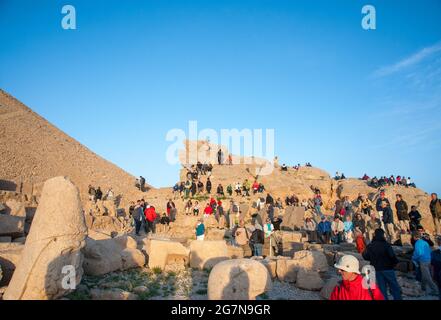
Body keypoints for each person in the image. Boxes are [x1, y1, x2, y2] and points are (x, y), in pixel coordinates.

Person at [362, 229, 402, 300]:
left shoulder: (370, 245)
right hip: (388, 268)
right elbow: (392, 256)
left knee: (382, 288)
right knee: (394, 286)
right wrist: (395, 263)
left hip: (376, 269)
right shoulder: (386, 245)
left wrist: (372, 259)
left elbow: (365, 256)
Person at [431, 235, 441, 300]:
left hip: (437, 273)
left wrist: (432, 275)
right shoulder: (434, 253)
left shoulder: (434, 253)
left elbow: (432, 265)